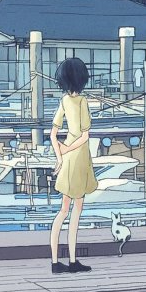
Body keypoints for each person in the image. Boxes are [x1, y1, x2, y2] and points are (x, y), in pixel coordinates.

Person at [49, 56, 97, 273]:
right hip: (78, 156)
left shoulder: (63, 101)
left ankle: (54, 262)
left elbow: (53, 133)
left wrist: (60, 156)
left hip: (68, 154)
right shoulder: (83, 102)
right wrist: (68, 151)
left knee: (63, 210)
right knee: (77, 209)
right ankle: (72, 260)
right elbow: (85, 135)